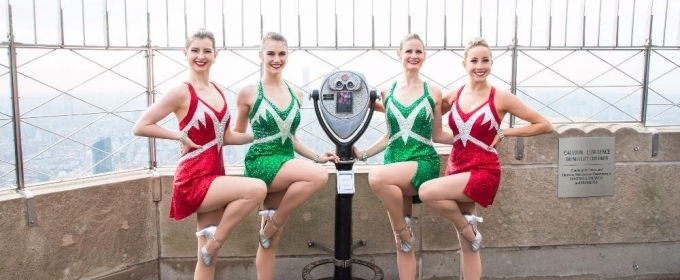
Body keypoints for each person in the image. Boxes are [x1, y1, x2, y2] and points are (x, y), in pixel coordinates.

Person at [132, 29, 268, 280]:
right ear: (185, 53)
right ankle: (215, 241)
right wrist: (179, 135)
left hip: (215, 174)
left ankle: (211, 245)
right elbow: (141, 126)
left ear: (215, 55)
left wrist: (260, 136)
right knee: (257, 188)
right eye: (195, 50)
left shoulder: (217, 90)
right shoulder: (181, 92)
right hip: (194, 178)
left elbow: (226, 137)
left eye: (207, 51)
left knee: (205, 259)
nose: (200, 56)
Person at [418, 37, 554, 280]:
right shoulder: (455, 95)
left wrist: (504, 132)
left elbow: (544, 125)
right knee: (468, 245)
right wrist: (376, 105)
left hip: (483, 170)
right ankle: (469, 232)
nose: (480, 66)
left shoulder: (500, 97)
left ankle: (467, 228)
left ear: (491, 63)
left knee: (427, 192)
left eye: (485, 60)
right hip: (456, 167)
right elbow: (422, 110)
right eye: (474, 61)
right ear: (464, 64)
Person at [234, 31, 339, 280]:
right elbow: (238, 133)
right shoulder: (248, 92)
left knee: (269, 241)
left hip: (284, 161)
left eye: (281, 53)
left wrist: (316, 157)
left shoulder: (296, 94)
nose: (276, 59)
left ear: (287, 56)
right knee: (317, 177)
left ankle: (271, 228)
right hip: (261, 161)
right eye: (270, 53)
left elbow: (290, 137)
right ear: (261, 55)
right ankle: (274, 222)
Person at [352, 33, 452, 280]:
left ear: (424, 57)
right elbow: (390, 135)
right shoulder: (388, 91)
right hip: (394, 163)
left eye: (419, 52)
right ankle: (404, 234)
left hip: (422, 162)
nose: (414, 56)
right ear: (399, 54)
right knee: (401, 242)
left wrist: (472, 138)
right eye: (409, 51)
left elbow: (438, 134)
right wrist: (363, 153)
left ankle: (404, 230)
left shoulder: (434, 92)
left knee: (376, 178)